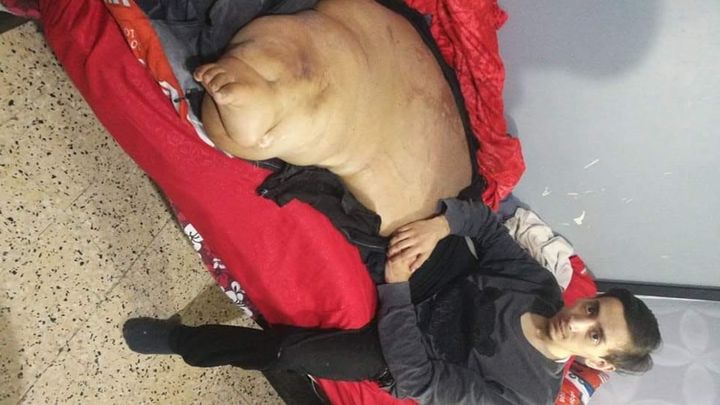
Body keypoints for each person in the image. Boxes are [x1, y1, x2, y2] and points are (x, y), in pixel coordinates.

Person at [124, 197, 662, 405]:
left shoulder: (525, 396)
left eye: (595, 335)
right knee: (366, 209)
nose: (578, 321)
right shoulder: (541, 287)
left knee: (288, 353)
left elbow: (420, 379)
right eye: (592, 309)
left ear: (599, 362)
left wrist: (395, 288)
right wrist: (441, 225)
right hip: (441, 273)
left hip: (403, 350)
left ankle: (183, 341)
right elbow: (486, 227)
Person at [193, 0, 473, 235]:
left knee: (316, 73)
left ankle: (260, 91)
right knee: (320, 98)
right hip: (434, 203)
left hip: (375, 30)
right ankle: (261, 96)